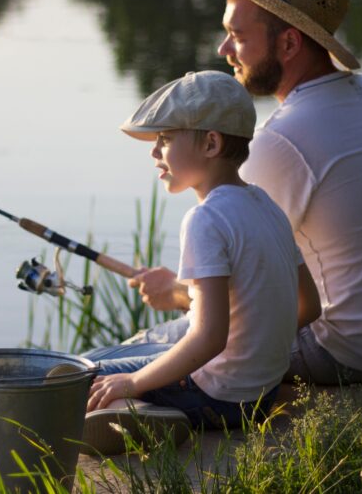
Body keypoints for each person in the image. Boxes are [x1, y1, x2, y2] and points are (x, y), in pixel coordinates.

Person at [131, 0, 362, 384]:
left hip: (343, 353)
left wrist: (177, 293)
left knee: (148, 347)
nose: (223, 50)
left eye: (237, 36)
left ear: (290, 42)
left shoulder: (284, 138)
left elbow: (241, 299)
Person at [80, 70, 320, 456]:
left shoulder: (205, 219)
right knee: (97, 361)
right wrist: (258, 338)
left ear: (211, 143)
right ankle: (145, 406)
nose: (154, 152)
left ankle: (140, 410)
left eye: (166, 139)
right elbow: (310, 306)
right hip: (260, 393)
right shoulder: (266, 206)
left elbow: (209, 337)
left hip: (215, 395)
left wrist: (132, 383)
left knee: (74, 377)